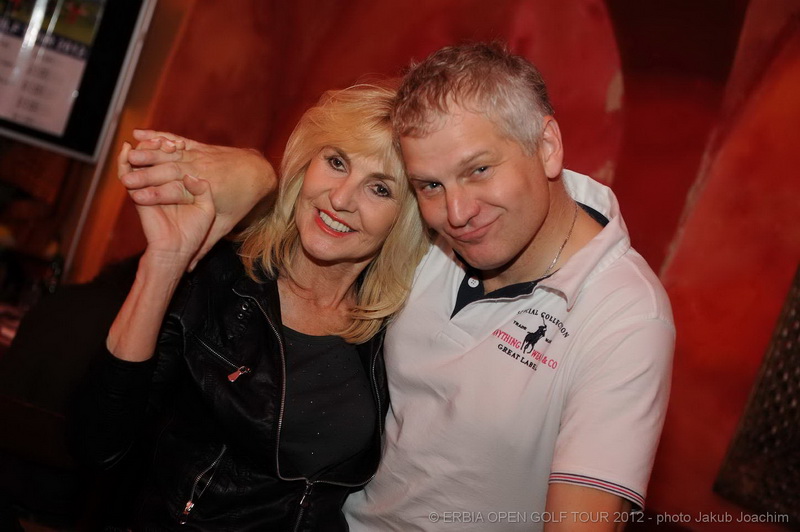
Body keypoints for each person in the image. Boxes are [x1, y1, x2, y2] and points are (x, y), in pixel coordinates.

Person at [122, 43, 675, 531]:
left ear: (547, 144)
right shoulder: (426, 245)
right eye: (430, 185)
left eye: (478, 170)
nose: (457, 212)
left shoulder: (625, 316)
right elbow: (324, 208)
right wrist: (256, 172)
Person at [73, 84, 429, 530]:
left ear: (405, 218)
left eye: (379, 188)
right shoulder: (219, 280)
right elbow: (97, 444)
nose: (341, 199)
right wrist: (164, 263)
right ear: (306, 164)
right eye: (336, 162)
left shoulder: (392, 327)